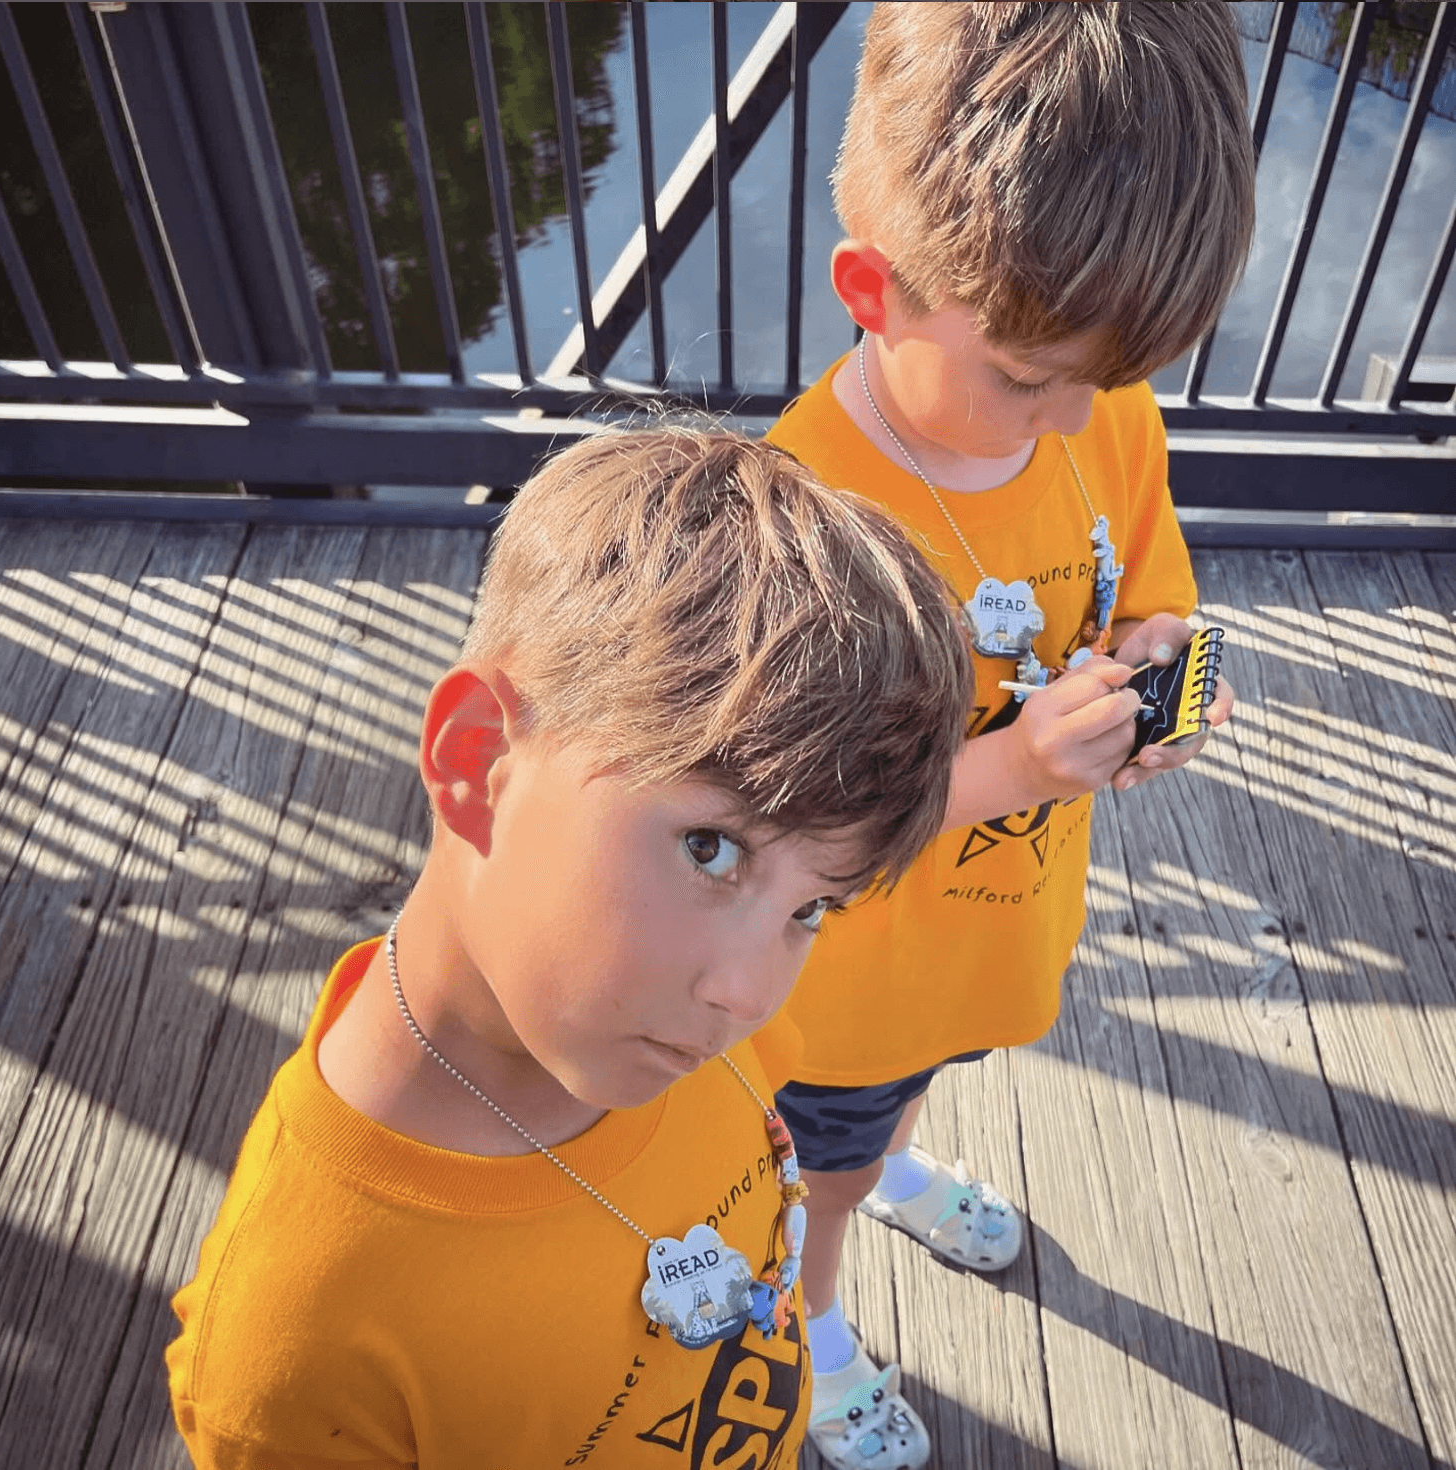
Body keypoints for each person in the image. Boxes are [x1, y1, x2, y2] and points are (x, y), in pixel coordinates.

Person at [165, 428, 975, 1470]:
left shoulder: (679, 1023)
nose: (747, 993)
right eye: (709, 847)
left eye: (810, 908)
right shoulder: (301, 1344)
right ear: (477, 764)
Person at [764, 5, 1255, 1464]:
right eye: (1024, 381)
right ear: (877, 290)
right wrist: (1029, 764)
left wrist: (1154, 659)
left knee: (897, 1108)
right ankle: (808, 1320)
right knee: (818, 1171)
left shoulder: (1096, 405)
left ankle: (893, 1169)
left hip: (987, 940)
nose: (1063, 424)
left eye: (1095, 384)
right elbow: (810, 830)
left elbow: (1144, 575)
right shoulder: (810, 521)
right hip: (843, 983)